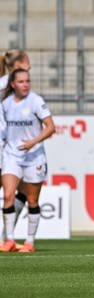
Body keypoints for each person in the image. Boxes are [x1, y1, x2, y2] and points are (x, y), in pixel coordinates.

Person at [0, 68, 55, 252]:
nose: (25, 84)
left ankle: (29, 242)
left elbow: (50, 127)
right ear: (13, 84)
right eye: (21, 81)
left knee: (32, 199)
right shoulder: (6, 104)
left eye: (27, 81)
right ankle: (9, 240)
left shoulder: (36, 101)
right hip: (12, 155)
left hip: (34, 156)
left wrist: (33, 142)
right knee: (8, 195)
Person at [0, 50, 30, 247]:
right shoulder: (9, 85)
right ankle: (5, 236)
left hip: (10, 143)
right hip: (8, 145)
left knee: (22, 191)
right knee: (23, 191)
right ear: (19, 63)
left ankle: (6, 236)